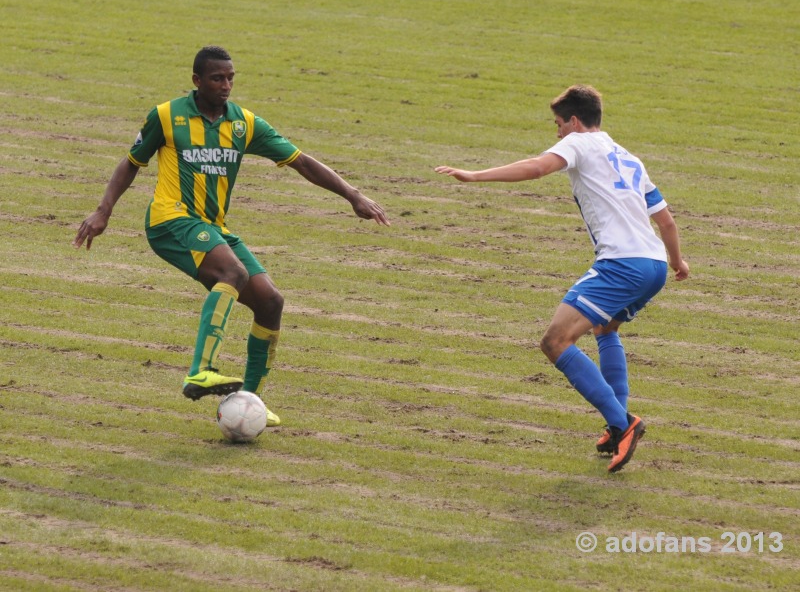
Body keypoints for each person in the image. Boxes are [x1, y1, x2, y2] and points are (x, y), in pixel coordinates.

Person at [74, 46, 390, 427]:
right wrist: (103, 211)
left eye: (230, 78)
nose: (226, 86)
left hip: (211, 226)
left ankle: (250, 401)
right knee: (233, 274)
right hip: (170, 221)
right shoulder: (167, 115)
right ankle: (201, 370)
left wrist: (352, 195)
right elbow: (131, 162)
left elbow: (301, 161)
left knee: (271, 302)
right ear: (197, 81)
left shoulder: (244, 124)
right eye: (217, 78)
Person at [435, 85, 688, 473]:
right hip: (653, 264)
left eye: (558, 125)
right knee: (605, 330)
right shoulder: (629, 157)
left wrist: (474, 175)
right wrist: (677, 262)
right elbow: (666, 221)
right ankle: (615, 423)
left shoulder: (581, 144)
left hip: (622, 263)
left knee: (555, 341)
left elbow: (538, 167)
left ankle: (625, 425)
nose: (556, 135)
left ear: (574, 121)